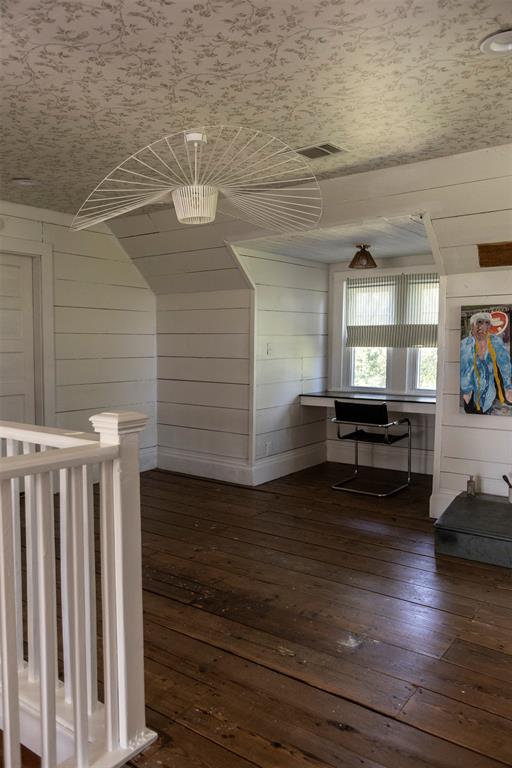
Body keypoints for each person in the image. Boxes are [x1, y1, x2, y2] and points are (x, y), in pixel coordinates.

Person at [460, 311, 512, 414]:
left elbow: (504, 363)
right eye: (479, 322)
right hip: (471, 393)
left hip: (489, 394)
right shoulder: (465, 345)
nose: (483, 327)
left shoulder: (495, 341)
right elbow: (464, 370)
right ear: (472, 326)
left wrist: (508, 387)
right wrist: (466, 390)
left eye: (487, 323)